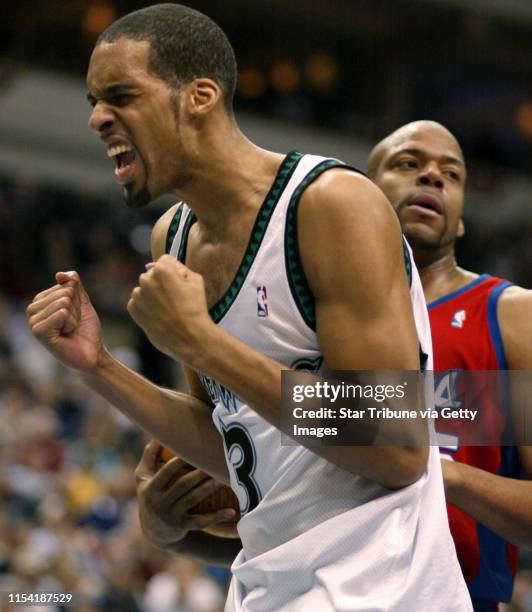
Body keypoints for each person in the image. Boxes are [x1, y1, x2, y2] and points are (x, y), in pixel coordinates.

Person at [26, 5, 472, 610]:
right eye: (92, 101)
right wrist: (99, 367)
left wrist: (203, 344)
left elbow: (395, 450)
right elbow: (237, 440)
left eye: (121, 95)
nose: (98, 118)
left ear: (200, 97)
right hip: (267, 581)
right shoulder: (172, 240)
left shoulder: (331, 204)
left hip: (382, 584)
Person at [367, 120, 532, 611]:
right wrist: (178, 532)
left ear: (460, 219)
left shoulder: (514, 314)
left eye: (451, 175)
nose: (433, 177)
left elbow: (322, 414)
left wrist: (444, 474)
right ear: (358, 195)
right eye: (409, 163)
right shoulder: (306, 319)